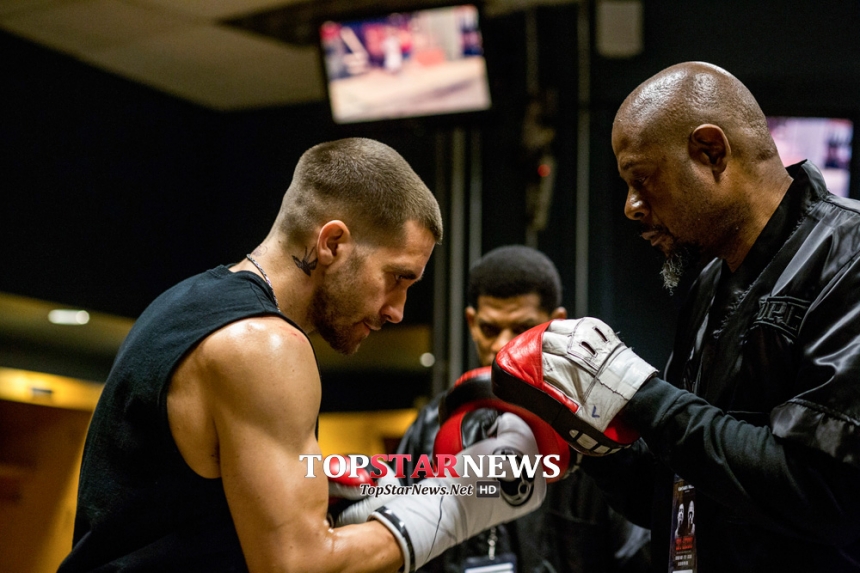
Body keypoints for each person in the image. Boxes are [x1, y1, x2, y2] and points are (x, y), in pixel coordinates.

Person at [58, 138, 547, 572]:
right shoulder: (265, 346)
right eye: (397, 277)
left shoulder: (184, 304)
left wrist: (336, 489)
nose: (398, 311)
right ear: (333, 243)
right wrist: (465, 498)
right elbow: (297, 566)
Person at [490, 62, 860, 571]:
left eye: (641, 179)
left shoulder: (848, 254)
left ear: (711, 152)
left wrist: (635, 389)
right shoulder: (710, 284)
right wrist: (592, 438)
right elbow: (675, 496)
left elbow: (828, 495)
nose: (631, 207)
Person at [397, 244, 651, 573]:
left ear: (556, 324)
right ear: (471, 323)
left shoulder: (590, 432)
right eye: (489, 329)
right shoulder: (432, 427)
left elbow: (636, 555)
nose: (502, 346)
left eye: (521, 329)